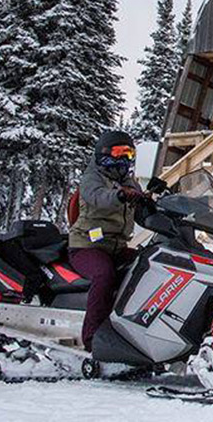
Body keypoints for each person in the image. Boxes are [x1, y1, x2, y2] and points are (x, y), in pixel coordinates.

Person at [68, 130, 147, 351]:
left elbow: (140, 209)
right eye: (119, 152)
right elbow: (99, 198)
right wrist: (120, 195)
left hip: (117, 247)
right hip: (86, 246)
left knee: (148, 264)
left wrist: (153, 203)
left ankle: (135, 328)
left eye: (129, 153)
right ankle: (92, 338)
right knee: (104, 274)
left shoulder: (129, 182)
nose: (124, 158)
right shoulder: (92, 178)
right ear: (104, 153)